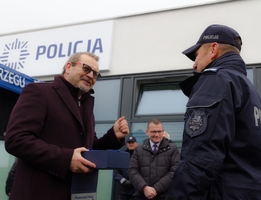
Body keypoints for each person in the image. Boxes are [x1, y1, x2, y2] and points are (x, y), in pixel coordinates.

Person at [166, 24, 261, 199]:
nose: (194, 64)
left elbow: (201, 157)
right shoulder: (254, 95)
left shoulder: (216, 80)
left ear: (213, 49)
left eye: (196, 55)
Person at [4, 52, 129, 200]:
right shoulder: (39, 92)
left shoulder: (86, 106)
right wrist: (66, 158)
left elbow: (89, 149)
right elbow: (16, 139)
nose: (91, 76)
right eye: (86, 69)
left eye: (96, 74)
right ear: (68, 67)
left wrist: (113, 136)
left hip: (78, 192)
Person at [129, 119, 180, 200]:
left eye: (159, 131)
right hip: (141, 196)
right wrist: (144, 188)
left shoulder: (173, 149)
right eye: (153, 131)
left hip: (165, 196)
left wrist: (155, 189)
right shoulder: (138, 149)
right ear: (147, 132)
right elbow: (133, 171)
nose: (157, 134)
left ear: (163, 131)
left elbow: (175, 172)